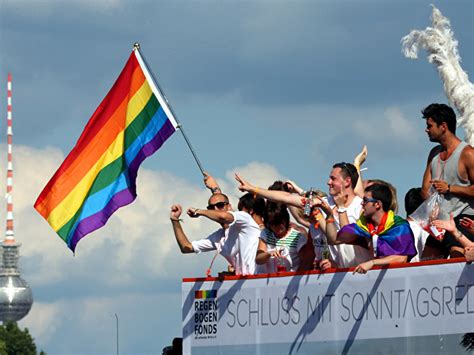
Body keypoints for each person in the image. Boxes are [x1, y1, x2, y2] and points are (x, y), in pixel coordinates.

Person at [235, 163, 373, 270]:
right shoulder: (323, 203)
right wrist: (253, 189)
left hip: (362, 273)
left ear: (347, 181)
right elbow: (287, 198)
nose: (328, 182)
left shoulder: (361, 207)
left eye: (333, 178)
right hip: (336, 275)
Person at [420, 103, 474, 258]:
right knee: (426, 262)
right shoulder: (434, 154)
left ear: (443, 126)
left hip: (464, 220)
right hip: (440, 220)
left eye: (429, 126)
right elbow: (425, 190)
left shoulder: (468, 154)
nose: (426, 130)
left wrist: (451, 188)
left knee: (457, 258)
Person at [326, 184, 417, 274]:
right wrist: (329, 216)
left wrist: (372, 263)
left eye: (365, 200)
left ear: (377, 204)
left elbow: (401, 258)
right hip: (376, 280)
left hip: (399, 279)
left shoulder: (399, 227)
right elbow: (334, 240)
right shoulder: (364, 226)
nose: (362, 204)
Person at [169, 192, 263, 275]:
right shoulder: (219, 236)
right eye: (211, 208)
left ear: (229, 207)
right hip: (246, 284)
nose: (215, 209)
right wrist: (174, 220)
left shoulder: (244, 217)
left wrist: (199, 211)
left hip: (262, 280)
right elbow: (186, 248)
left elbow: (223, 217)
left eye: (220, 205)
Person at [256, 203, 308, 273]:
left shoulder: (298, 237)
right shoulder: (265, 233)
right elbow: (258, 259)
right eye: (272, 223)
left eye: (278, 222)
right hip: (268, 280)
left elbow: (306, 262)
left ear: (285, 219)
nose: (276, 227)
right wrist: (268, 254)